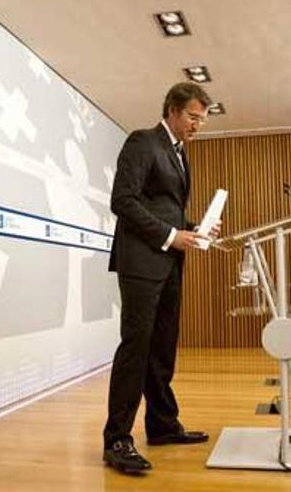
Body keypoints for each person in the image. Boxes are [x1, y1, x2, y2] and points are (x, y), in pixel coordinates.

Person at [103, 82, 219, 474]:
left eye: (202, 119)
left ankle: (163, 425)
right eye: (192, 116)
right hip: (141, 263)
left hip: (169, 262)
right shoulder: (143, 142)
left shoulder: (180, 154)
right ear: (171, 109)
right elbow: (123, 201)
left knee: (163, 348)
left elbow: (164, 209)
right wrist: (173, 236)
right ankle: (117, 439)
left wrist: (193, 229)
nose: (197, 125)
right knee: (136, 348)